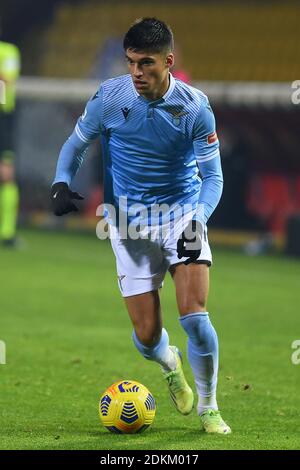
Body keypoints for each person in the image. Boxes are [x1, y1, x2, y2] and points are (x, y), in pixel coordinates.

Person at [51, 18, 231, 434]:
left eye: (146, 63)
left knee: (195, 318)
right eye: (131, 62)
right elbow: (76, 144)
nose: (136, 72)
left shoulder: (194, 107)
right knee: (148, 335)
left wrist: (197, 220)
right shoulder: (109, 98)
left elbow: (214, 178)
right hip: (129, 221)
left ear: (168, 61)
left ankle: (209, 407)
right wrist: (62, 182)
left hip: (183, 214)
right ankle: (170, 363)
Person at [0, 34, 20, 247]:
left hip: (2, 118)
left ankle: (7, 233)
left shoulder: (8, 51)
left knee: (6, 174)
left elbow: (5, 83)